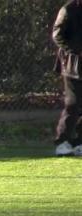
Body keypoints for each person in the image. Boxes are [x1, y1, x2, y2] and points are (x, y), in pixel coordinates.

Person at [52, 0, 82, 156]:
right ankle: (62, 142)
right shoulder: (68, 10)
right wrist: (76, 51)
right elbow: (57, 35)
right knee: (73, 104)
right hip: (72, 67)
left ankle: (78, 143)